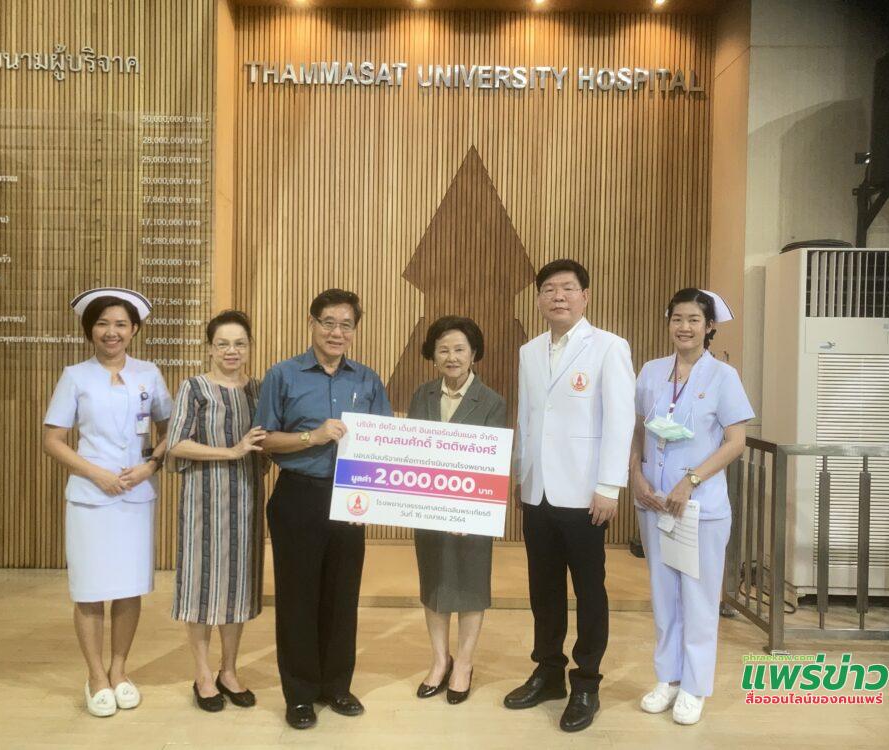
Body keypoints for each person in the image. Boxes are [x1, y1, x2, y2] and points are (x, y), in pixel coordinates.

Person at [504, 259, 636, 733]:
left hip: (584, 494)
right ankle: (548, 671)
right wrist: (521, 474)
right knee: (543, 588)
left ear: (585, 296)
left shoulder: (608, 347)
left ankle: (586, 682)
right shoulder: (529, 351)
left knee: (589, 590)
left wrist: (608, 486)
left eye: (568, 288)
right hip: (538, 490)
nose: (558, 296)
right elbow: (528, 417)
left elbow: (620, 419)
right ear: (539, 299)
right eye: (549, 289)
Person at [254, 288, 393, 730]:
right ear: (312, 323)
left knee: (342, 596)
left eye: (345, 325)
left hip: (350, 499)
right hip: (298, 495)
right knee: (297, 598)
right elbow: (263, 439)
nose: (336, 332)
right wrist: (310, 437)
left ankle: (336, 686)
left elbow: (385, 443)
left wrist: (374, 497)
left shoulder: (367, 380)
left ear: (355, 330)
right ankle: (299, 694)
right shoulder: (283, 375)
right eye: (328, 322)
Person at [42, 288, 173, 718]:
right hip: (90, 498)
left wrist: (150, 466)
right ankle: (95, 675)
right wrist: (95, 472)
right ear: (90, 330)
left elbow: (171, 429)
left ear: (134, 330)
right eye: (102, 324)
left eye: (120, 324)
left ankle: (119, 670)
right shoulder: (75, 376)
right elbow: (52, 440)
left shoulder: (149, 374)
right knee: (91, 589)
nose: (111, 332)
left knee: (129, 588)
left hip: (135, 496)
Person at [629, 288, 752, 725]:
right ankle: (668, 677)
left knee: (698, 598)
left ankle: (695, 686)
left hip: (699, 507)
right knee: (663, 596)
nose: (684, 327)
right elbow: (639, 431)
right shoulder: (651, 371)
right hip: (655, 503)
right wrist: (636, 476)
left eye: (694, 320)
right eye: (677, 318)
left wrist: (690, 481)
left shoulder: (723, 376)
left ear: (709, 326)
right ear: (668, 322)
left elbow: (735, 442)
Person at [165, 310, 269, 712]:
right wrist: (231, 451)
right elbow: (176, 443)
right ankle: (203, 674)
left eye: (239, 343)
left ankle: (229, 670)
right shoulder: (194, 388)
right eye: (223, 343)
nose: (231, 351)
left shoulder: (258, 390)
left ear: (249, 347)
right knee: (201, 584)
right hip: (203, 502)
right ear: (209, 348)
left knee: (237, 586)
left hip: (246, 500)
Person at [407, 316, 507, 705]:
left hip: (472, 512)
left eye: (459, 349)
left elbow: (495, 463)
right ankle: (439, 661)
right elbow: (411, 450)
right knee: (433, 584)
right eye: (443, 350)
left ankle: (463, 664)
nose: (452, 357)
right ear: (433, 355)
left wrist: (470, 510)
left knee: (471, 585)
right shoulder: (422, 395)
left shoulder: (492, 401)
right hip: (428, 510)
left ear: (473, 354)